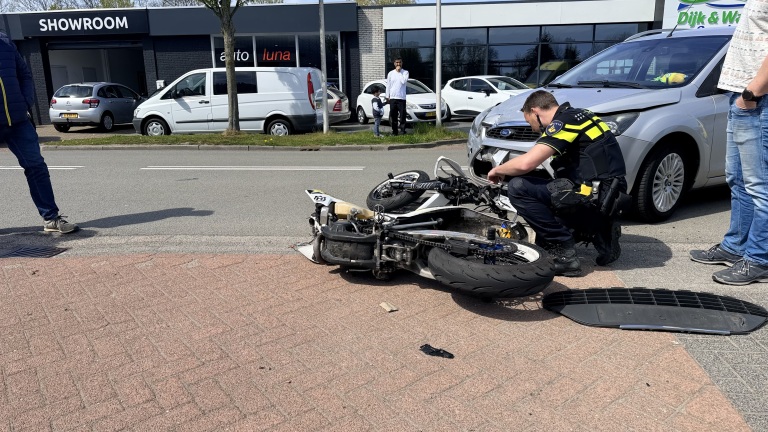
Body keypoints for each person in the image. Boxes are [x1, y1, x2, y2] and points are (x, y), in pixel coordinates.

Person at [487, 90, 627, 276]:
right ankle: (601, 231)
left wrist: (497, 170)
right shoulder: (581, 115)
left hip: (594, 200)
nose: (533, 128)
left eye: (530, 122)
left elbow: (527, 163)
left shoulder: (563, 122)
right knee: (546, 187)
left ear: (536, 111)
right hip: (609, 196)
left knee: (518, 187)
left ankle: (564, 252)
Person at [689, 0, 768, 285]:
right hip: (743, 98)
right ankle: (736, 248)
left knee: (760, 185)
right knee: (738, 179)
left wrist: (752, 93)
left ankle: (761, 259)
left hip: (758, 100)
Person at [0, 32, 78, 234]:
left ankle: (51, 218)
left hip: (18, 121)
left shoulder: (6, 42)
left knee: (36, 167)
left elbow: (24, 75)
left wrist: (26, 102)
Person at [385, 57, 408, 136]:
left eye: (400, 62)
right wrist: (387, 96)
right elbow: (388, 85)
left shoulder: (405, 72)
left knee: (402, 116)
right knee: (393, 116)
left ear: (402, 63)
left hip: (401, 98)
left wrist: (399, 72)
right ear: (394, 63)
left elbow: (403, 81)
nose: (398, 64)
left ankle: (402, 131)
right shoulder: (390, 73)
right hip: (393, 98)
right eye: (397, 62)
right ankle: (394, 131)